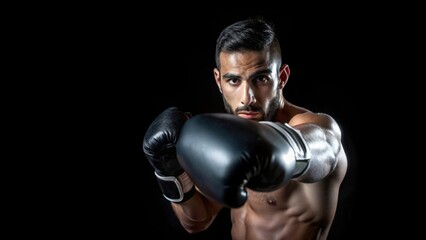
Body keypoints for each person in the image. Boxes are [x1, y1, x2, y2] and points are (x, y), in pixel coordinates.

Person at [143, 17, 348, 240]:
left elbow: (325, 149)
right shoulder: (228, 137)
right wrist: (169, 169)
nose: (246, 98)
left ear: (281, 77)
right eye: (233, 81)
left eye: (260, 78)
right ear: (218, 81)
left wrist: (282, 150)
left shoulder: (311, 126)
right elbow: (196, 221)